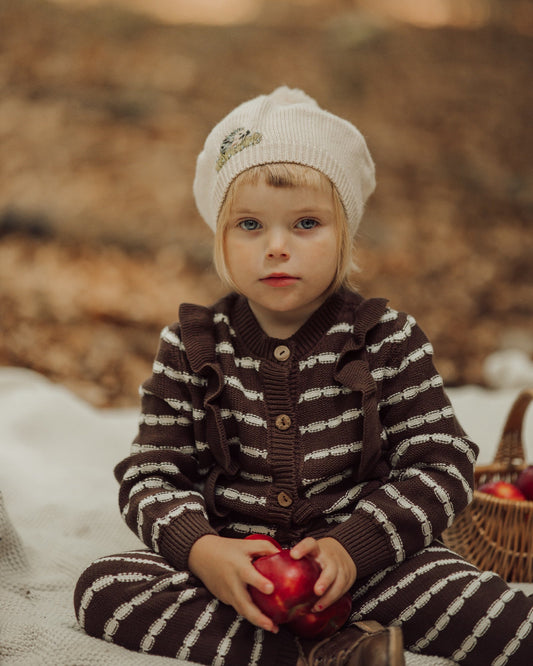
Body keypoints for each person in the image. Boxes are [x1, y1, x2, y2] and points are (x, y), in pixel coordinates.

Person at [74, 87, 533, 666]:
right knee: (104, 589)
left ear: (346, 233)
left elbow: (442, 462)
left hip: (369, 566)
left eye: (306, 223)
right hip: (241, 576)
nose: (276, 247)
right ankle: (322, 653)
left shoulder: (385, 337)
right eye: (248, 224)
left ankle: (328, 634)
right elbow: (151, 475)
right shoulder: (191, 347)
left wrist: (356, 544)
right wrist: (205, 551)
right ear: (219, 236)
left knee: (504, 619)